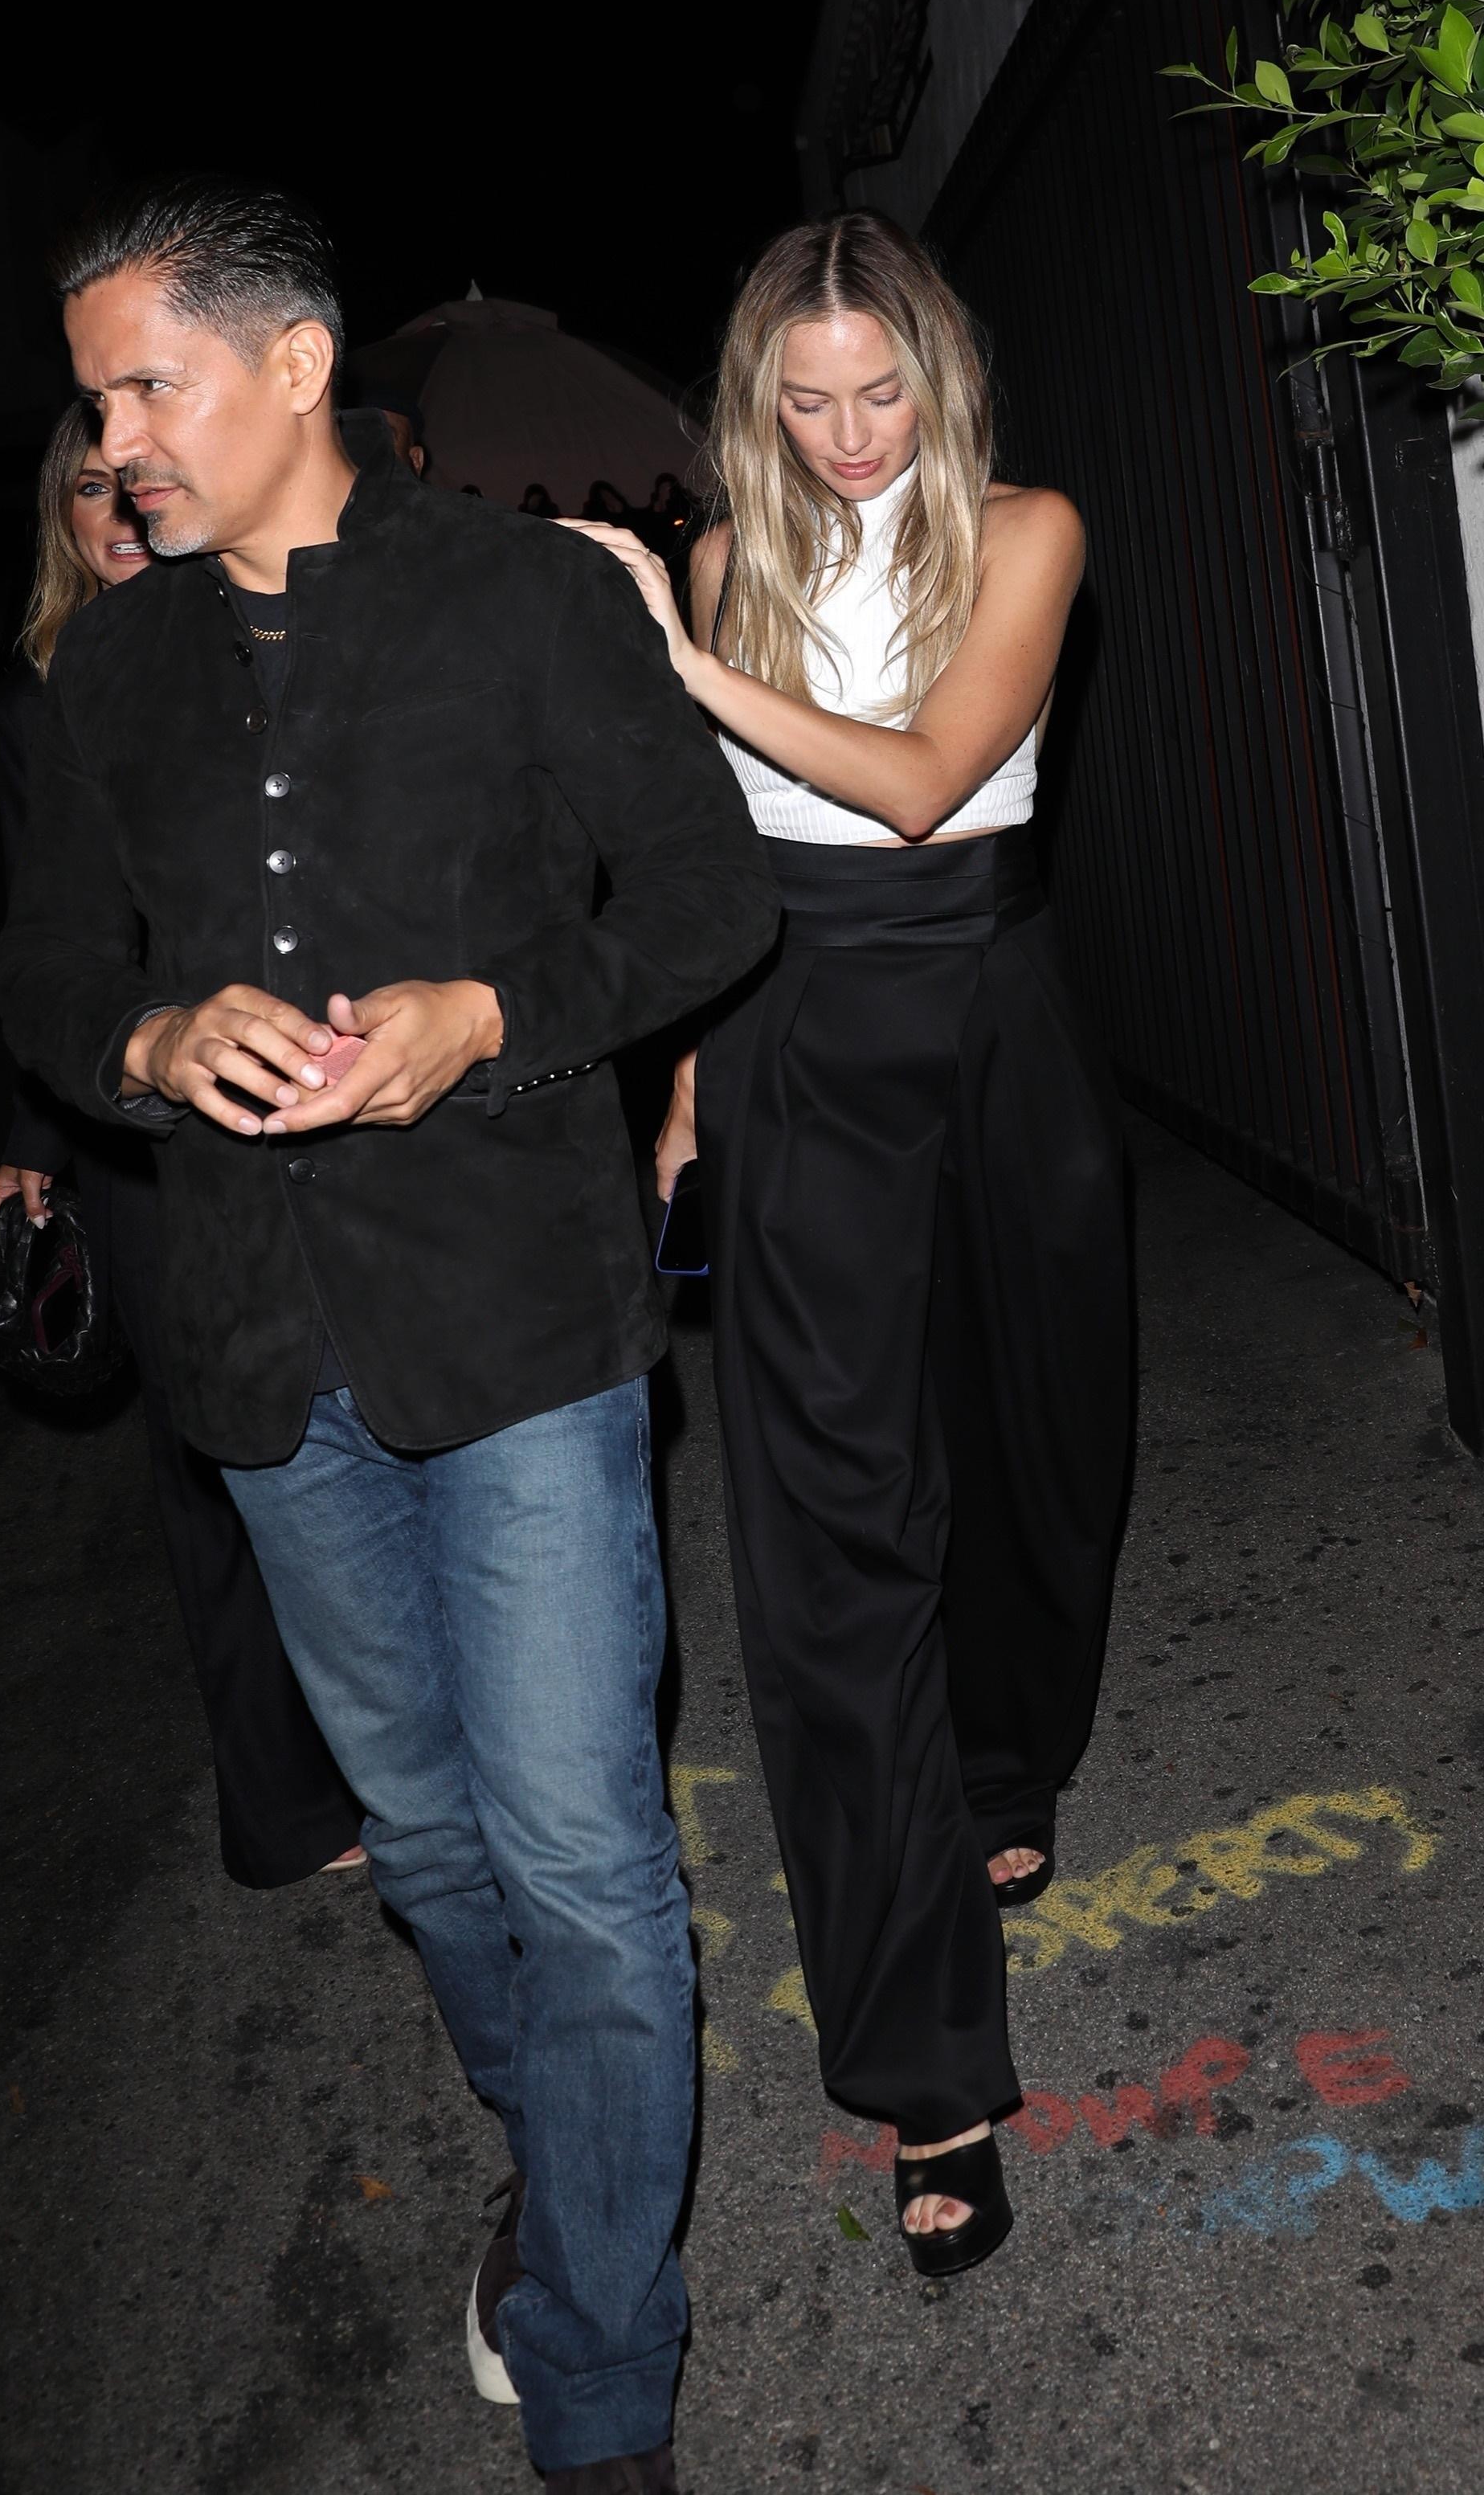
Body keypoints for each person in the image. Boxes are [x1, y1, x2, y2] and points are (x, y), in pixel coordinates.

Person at [0, 177, 778, 2495]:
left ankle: (602, 2375)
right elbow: (45, 978)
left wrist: (494, 1016)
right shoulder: (104, 673)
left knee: (583, 1865)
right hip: (260, 1353)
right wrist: (149, 1041)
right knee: (431, 1846)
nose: (114, 440)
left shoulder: (529, 601)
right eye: (94, 402)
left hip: (516, 1320)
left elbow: (708, 896)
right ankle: (571, 2162)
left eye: (147, 385)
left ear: (297, 367)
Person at [566, 209, 1130, 2282]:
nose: (850, 433)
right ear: (758, 406)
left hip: (990, 1012)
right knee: (829, 1548)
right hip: (800, 1034)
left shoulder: (1030, 532)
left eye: (881, 389)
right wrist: (689, 1085)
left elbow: (920, 783)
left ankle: (1007, 1750)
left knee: (1037, 1444)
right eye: (804, 403)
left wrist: (685, 667)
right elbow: (721, 863)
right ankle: (927, 2071)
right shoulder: (732, 560)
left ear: (939, 373)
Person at [0, 400, 363, 1887]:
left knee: (330, 1419)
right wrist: (37, 1129)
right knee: (208, 1450)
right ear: (62, 522)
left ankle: (380, 1751)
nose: (119, 512)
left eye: (131, 484)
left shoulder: (243, 644)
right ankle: (282, 1809)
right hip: (133, 1110)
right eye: (87, 491)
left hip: (295, 1071)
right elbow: (45, 944)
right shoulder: (48, 691)